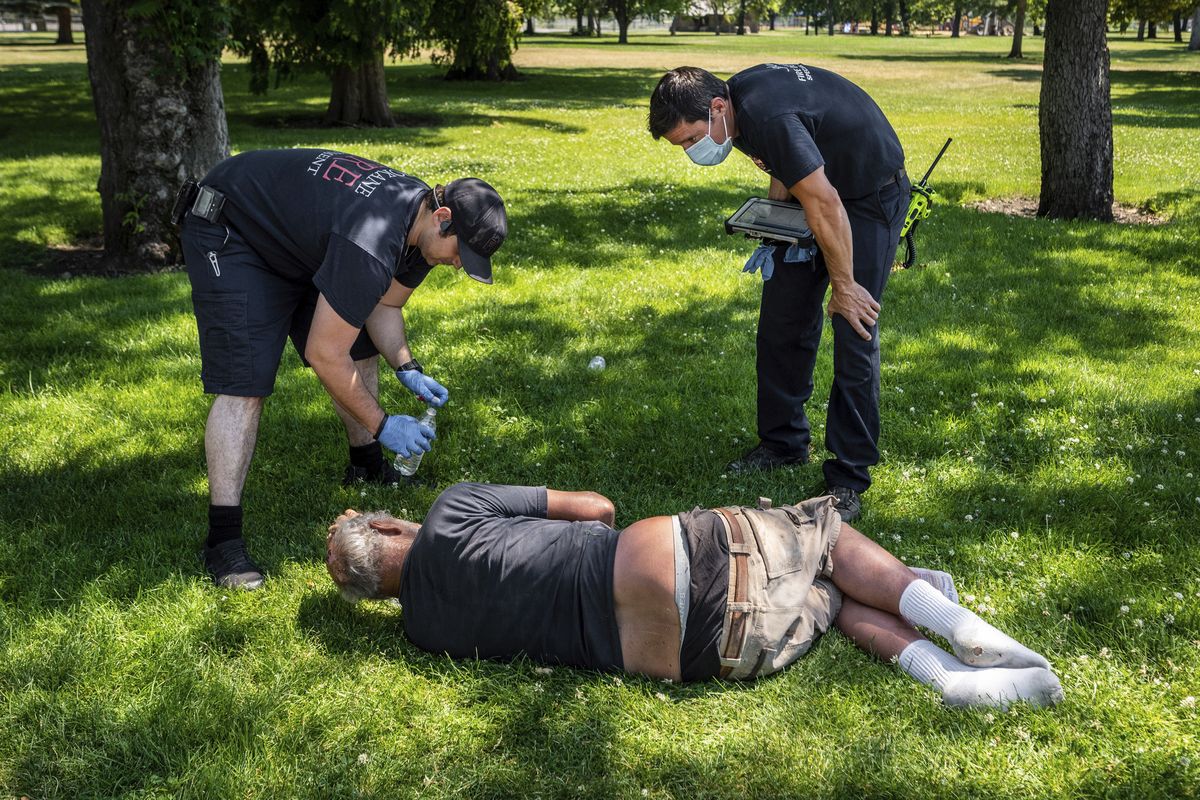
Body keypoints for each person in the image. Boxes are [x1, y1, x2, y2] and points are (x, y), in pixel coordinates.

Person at [325, 482, 1063, 709]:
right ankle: (957, 621)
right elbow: (596, 507)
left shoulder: (422, 633)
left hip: (705, 655)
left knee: (826, 597)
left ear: (376, 595)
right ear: (390, 526)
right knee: (825, 537)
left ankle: (948, 681)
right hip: (657, 564)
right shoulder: (451, 511)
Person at [181, 148, 508, 590]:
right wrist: (383, 423)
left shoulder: (419, 225)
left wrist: (407, 366)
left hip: (293, 240)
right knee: (246, 383)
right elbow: (324, 355)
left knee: (360, 343)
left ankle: (366, 465)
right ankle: (223, 540)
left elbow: (385, 304)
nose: (457, 263)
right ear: (443, 216)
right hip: (232, 228)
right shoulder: (372, 241)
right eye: (460, 252)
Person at [647, 65, 911, 522]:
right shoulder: (735, 106)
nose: (692, 151)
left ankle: (848, 477)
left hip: (867, 196)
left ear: (716, 108)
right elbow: (788, 168)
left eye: (691, 139)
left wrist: (844, 286)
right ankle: (783, 443)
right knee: (782, 319)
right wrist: (776, 225)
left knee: (854, 326)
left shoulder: (767, 116)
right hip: (821, 192)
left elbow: (825, 201)